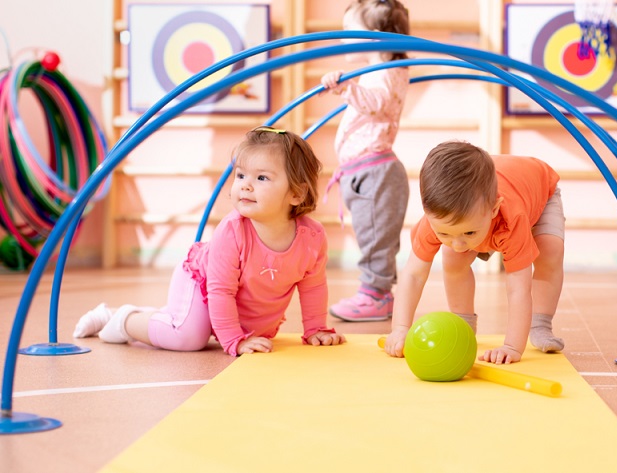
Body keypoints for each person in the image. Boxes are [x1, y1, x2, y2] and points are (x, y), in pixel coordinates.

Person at [74, 126, 346, 356]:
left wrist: (316, 329)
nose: (246, 185)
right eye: (241, 175)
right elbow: (220, 292)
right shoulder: (232, 230)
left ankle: (166, 316)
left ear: (296, 195)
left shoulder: (312, 238)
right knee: (189, 338)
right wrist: (234, 341)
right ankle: (121, 318)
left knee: (251, 332)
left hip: (237, 305)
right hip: (201, 282)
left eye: (261, 177)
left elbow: (313, 287)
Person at [383, 140, 565, 364]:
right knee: (452, 257)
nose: (458, 244)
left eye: (468, 233)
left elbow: (518, 287)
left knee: (550, 250)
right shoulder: (433, 223)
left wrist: (512, 347)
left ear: (494, 210)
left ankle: (541, 324)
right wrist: (400, 328)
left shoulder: (511, 219)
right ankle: (464, 323)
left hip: (540, 193)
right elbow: (413, 275)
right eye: (445, 234)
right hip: (496, 192)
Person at [320, 0, 411, 322]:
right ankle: (377, 293)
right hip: (362, 172)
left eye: (349, 31)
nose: (343, 38)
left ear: (374, 36)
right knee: (370, 236)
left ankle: (376, 296)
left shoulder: (387, 72)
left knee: (376, 240)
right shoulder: (377, 73)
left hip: (376, 173)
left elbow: (377, 103)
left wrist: (345, 86)